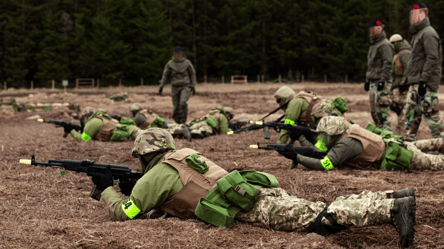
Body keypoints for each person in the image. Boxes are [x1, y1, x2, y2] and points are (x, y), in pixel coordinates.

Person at [87, 128, 416, 248]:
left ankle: (391, 208)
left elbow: (124, 213)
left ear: (144, 155)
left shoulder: (155, 175)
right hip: (255, 190)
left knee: (319, 217)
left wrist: (106, 188)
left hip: (252, 205)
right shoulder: (184, 156)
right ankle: (392, 197)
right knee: (317, 207)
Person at [295, 116, 444, 171]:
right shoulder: (345, 133)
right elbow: (318, 151)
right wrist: (301, 141)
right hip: (394, 146)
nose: (322, 139)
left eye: (324, 135)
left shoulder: (346, 144)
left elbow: (324, 164)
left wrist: (297, 157)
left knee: (437, 162)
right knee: (427, 145)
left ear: (334, 133)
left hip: (399, 155)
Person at [402, 2, 444, 141]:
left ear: (423, 14)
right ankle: (408, 146)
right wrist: (408, 78)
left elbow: (432, 58)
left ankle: (442, 141)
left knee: (432, 117)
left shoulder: (428, 33)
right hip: (416, 82)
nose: (413, 17)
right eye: (411, 14)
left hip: (425, 83)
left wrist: (423, 81)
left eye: (416, 14)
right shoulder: (418, 34)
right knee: (411, 115)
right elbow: (415, 60)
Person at [71, 108, 189, 142]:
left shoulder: (92, 123)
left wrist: (72, 131)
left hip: (126, 132)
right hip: (128, 130)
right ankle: (176, 132)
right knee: (151, 136)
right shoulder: (100, 118)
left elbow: (84, 140)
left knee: (151, 138)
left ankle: (176, 132)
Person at [364, 19, 394, 131]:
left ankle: (388, 136)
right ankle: (380, 136)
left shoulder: (385, 44)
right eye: (373, 28)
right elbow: (371, 65)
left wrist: (383, 80)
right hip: (373, 81)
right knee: (374, 112)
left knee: (383, 110)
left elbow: (387, 64)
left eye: (378, 28)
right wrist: (367, 80)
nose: (375, 30)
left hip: (382, 82)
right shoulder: (373, 45)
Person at [158, 46, 197, 124]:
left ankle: (183, 120)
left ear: (182, 53)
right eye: (177, 53)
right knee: (176, 107)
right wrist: (161, 85)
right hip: (175, 86)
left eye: (180, 53)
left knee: (182, 103)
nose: (178, 55)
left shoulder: (187, 63)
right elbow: (165, 75)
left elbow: (192, 74)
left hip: (185, 86)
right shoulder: (170, 64)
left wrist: (193, 85)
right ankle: (177, 121)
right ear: (174, 53)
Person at [389, 34, 411, 130]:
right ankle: (401, 124)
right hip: (395, 83)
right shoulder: (397, 54)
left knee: (403, 105)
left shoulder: (405, 53)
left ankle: (404, 125)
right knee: (393, 104)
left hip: (401, 84)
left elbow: (408, 68)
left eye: (393, 43)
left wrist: (404, 82)